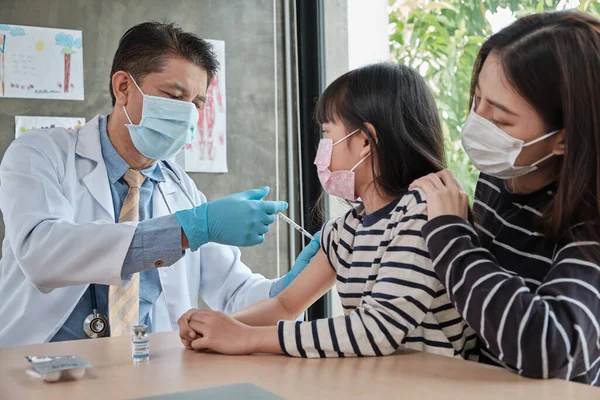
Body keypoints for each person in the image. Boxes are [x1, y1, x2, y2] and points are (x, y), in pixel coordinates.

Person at [0, 22, 319, 347]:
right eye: (173, 96)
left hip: (146, 370)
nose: (187, 114)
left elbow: (234, 292)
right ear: (123, 86)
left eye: (196, 104)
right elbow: (41, 252)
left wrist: (291, 288)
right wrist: (185, 230)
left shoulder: (181, 189)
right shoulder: (39, 153)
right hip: (36, 366)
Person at [178, 63, 478, 359]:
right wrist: (217, 327)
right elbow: (285, 305)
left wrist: (246, 337)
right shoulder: (345, 230)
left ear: (364, 141)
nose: (321, 149)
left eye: (326, 133)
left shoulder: (421, 214)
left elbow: (376, 330)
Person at [410, 10, 600, 386]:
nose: (476, 123)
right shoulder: (499, 177)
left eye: (500, 121)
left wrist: (451, 236)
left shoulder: (591, 224)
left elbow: (550, 348)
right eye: (477, 98)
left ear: (564, 137)